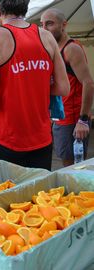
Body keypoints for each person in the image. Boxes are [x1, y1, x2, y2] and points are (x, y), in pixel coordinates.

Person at [0, 0, 70, 170]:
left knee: (12, 194)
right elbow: (64, 88)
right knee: (41, 194)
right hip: (41, 136)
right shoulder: (46, 36)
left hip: (8, 137)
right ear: (25, 6)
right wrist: (36, 85)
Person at [41, 9, 94, 167]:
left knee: (73, 168)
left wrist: (83, 120)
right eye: (42, 24)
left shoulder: (71, 49)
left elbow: (89, 83)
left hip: (72, 120)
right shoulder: (53, 47)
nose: (45, 28)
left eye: (50, 23)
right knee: (68, 164)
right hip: (61, 117)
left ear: (64, 25)